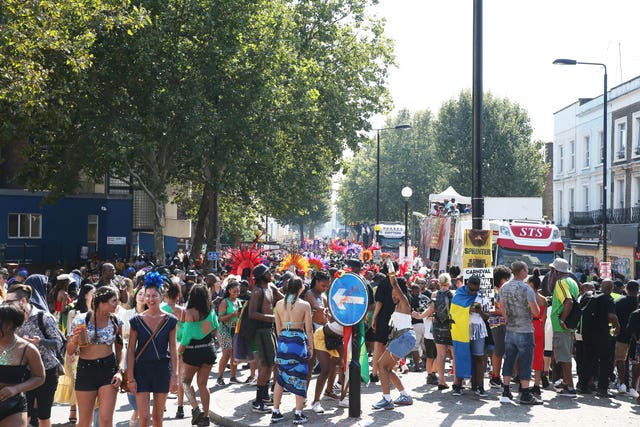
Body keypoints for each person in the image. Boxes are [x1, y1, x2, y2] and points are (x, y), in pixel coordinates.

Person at [7, 282, 65, 427]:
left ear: (23, 301)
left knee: (43, 416)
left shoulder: (44, 317)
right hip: (24, 372)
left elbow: (58, 343)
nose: (6, 304)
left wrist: (40, 342)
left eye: (9, 301)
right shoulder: (12, 319)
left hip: (47, 372)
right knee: (25, 414)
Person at [67, 285, 125, 427]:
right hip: (86, 369)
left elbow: (120, 349)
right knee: (85, 421)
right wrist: (75, 340)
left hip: (108, 369)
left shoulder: (116, 321)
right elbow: (69, 350)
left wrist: (120, 371)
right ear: (102, 302)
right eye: (114, 300)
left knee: (105, 420)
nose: (117, 303)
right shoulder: (81, 319)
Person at [126, 272, 179, 427]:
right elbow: (130, 350)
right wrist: (130, 377)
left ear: (161, 296)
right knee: (144, 417)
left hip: (162, 369)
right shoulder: (136, 321)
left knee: (157, 417)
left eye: (154, 295)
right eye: (147, 296)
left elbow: (173, 348)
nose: (150, 299)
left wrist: (175, 375)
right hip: (141, 370)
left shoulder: (171, 320)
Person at [270, 276, 313, 425]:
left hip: (283, 340)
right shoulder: (305, 305)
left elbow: (277, 328)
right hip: (298, 342)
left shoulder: (279, 304)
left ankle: (275, 411)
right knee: (300, 376)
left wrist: (282, 340)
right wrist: (310, 347)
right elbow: (308, 329)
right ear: (300, 288)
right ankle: (298, 413)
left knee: (280, 377)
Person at [372, 263, 416, 410]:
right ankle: (404, 395)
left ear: (400, 293)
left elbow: (395, 284)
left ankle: (387, 399)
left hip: (404, 338)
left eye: (394, 293)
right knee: (387, 368)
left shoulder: (404, 301)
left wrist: (391, 271)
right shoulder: (398, 305)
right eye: (391, 294)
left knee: (380, 365)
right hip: (402, 339)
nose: (392, 295)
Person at [499, 261, 541, 405]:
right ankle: (524, 392)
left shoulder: (504, 287)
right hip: (525, 329)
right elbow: (536, 311)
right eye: (526, 270)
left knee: (509, 359)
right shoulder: (527, 289)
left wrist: (507, 318)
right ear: (522, 271)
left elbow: (501, 306)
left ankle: (505, 390)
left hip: (511, 328)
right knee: (525, 362)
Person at [177, 284, 219, 426]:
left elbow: (187, 336)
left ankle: (196, 409)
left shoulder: (190, 312)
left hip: (193, 351)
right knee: (203, 384)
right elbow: (215, 329)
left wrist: (179, 351)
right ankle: (206, 416)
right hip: (208, 349)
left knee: (184, 382)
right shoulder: (211, 310)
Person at [0, 302, 46, 426]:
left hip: (14, 406)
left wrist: (15, 389)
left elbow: (40, 377)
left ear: (9, 325)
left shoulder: (28, 349)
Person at [248, 264, 283, 414]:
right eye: (268, 272)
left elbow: (284, 300)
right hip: (261, 331)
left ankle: (264, 396)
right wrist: (274, 318)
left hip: (270, 330)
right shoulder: (257, 291)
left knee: (271, 365)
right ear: (263, 275)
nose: (271, 273)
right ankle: (257, 401)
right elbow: (252, 313)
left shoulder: (271, 287)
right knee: (264, 366)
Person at [449, 275, 490, 397]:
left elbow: (488, 317)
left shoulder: (483, 297)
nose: (473, 292)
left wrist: (479, 311)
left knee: (479, 358)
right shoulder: (459, 295)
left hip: (478, 331)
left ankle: (480, 387)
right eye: (471, 290)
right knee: (461, 355)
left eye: (476, 290)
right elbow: (453, 312)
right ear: (467, 285)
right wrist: (467, 310)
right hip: (462, 330)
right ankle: (458, 386)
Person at [413, 273, 455, 390]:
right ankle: (457, 382)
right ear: (449, 282)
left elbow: (431, 310)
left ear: (439, 283)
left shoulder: (435, 294)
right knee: (453, 355)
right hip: (451, 327)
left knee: (440, 355)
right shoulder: (454, 294)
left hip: (438, 327)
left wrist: (419, 316)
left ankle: (442, 381)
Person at [581, 279, 619, 398]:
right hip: (602, 335)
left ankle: (582, 385)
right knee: (605, 362)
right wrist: (617, 326)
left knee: (588, 360)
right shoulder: (608, 299)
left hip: (588, 334)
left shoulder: (592, 296)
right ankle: (602, 389)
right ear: (611, 288)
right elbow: (611, 316)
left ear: (602, 286)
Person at [63, 283, 95, 425]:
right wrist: (70, 353)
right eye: (92, 293)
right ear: (85, 294)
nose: (95, 296)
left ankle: (90, 412)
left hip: (92, 352)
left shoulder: (98, 312)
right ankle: (73, 408)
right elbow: (69, 335)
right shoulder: (73, 312)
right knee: (76, 382)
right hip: (76, 352)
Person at [549, 258, 579, 397]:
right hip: (569, 326)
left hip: (562, 326)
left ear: (556, 271)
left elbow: (569, 301)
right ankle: (566, 383)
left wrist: (562, 319)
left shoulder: (561, 282)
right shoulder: (572, 281)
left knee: (565, 358)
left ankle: (570, 387)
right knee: (564, 356)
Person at [160, 278, 187, 418]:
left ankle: (162, 404)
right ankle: (180, 407)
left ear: (165, 295)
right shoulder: (183, 310)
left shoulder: (161, 310)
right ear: (178, 295)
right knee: (181, 376)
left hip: (165, 346)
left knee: (164, 376)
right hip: (181, 344)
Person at [309, 320, 346, 414]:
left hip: (338, 341)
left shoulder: (358, 318)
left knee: (343, 367)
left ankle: (337, 396)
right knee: (326, 370)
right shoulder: (341, 310)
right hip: (322, 336)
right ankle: (315, 402)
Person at [614, 280, 639, 397]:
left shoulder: (619, 301)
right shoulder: (637, 303)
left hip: (622, 335)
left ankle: (623, 384)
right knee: (635, 363)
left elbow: (614, 317)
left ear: (626, 288)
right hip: (636, 338)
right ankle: (633, 387)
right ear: (637, 290)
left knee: (621, 360)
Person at [216, 280, 242, 385]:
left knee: (234, 354)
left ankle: (233, 377)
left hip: (235, 329)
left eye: (238, 291)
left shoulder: (238, 302)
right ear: (229, 290)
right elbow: (220, 318)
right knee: (226, 353)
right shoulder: (224, 302)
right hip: (224, 330)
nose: (236, 293)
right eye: (234, 291)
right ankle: (220, 378)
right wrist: (233, 315)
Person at [489, 265, 510, 388]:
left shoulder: (503, 290)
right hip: (497, 323)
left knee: (501, 351)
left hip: (504, 322)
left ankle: (497, 375)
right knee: (498, 350)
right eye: (506, 278)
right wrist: (505, 312)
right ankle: (495, 376)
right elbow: (491, 309)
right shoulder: (494, 291)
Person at [526, 270, 547, 396]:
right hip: (539, 327)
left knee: (526, 356)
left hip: (529, 326)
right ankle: (537, 385)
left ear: (531, 283)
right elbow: (544, 318)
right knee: (539, 357)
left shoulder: (527, 297)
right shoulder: (543, 299)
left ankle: (525, 384)